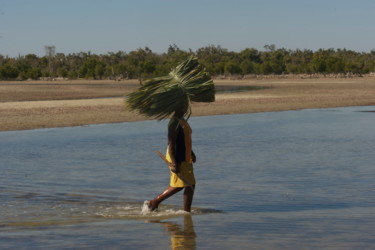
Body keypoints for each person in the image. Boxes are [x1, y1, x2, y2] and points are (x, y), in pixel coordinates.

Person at [147, 104, 196, 212]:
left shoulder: (182, 120)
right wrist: (174, 162)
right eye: (183, 106)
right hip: (177, 156)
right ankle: (154, 202)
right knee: (181, 185)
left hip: (185, 155)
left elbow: (185, 139)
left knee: (190, 184)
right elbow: (171, 143)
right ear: (177, 108)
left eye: (185, 106)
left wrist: (192, 153)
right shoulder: (174, 123)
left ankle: (187, 212)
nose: (186, 108)